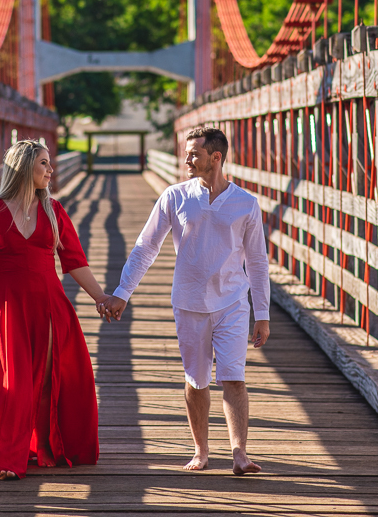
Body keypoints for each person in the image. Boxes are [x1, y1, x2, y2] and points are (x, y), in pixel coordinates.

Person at [102, 126, 270, 475]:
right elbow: (146, 247)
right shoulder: (175, 196)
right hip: (189, 302)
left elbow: (256, 261)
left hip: (232, 303)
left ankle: (240, 453)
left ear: (216, 157)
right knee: (196, 380)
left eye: (193, 153)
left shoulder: (245, 204)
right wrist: (122, 293)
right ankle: (201, 451)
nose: (186, 159)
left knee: (234, 377)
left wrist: (263, 314)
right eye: (186, 152)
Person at [0, 139, 110, 480]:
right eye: (44, 163)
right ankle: (10, 459)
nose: (50, 170)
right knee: (14, 382)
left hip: (49, 304)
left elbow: (74, 261)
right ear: (25, 167)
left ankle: (42, 446)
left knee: (47, 379)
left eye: (49, 163)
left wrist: (100, 298)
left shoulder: (54, 211)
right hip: (8, 307)